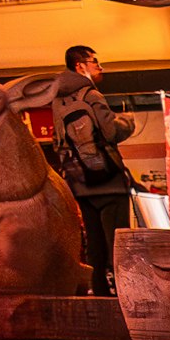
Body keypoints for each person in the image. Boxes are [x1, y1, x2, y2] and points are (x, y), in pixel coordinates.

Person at [47, 45, 137, 296]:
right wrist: (127, 122)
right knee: (117, 242)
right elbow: (110, 133)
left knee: (94, 243)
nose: (100, 67)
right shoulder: (91, 95)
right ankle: (123, 292)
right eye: (94, 62)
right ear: (80, 66)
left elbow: (59, 141)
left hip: (80, 182)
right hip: (108, 180)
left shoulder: (58, 101)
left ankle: (100, 290)